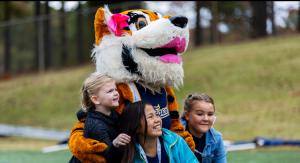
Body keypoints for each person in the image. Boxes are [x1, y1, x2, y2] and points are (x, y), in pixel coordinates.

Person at [69, 72, 131, 163]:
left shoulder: (112, 112)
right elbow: (108, 157)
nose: (116, 93)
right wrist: (115, 144)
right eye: (110, 91)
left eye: (115, 89)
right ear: (95, 99)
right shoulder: (96, 125)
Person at [119, 101, 198, 163]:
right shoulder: (129, 153)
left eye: (156, 115)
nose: (157, 120)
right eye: (150, 116)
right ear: (136, 127)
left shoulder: (175, 141)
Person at [182, 92, 227, 163]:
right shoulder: (175, 137)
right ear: (187, 115)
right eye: (200, 114)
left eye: (210, 114)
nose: (206, 119)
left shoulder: (216, 139)